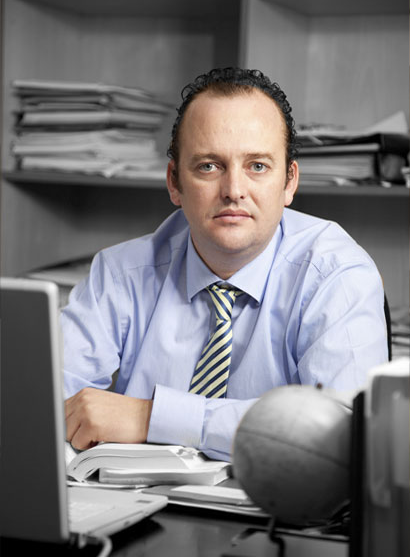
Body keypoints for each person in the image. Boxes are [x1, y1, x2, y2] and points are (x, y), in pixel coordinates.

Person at [63, 67, 388, 461]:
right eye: (209, 166)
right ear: (174, 182)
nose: (234, 191)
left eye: (257, 166)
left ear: (289, 182)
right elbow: (46, 403)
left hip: (274, 499)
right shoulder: (120, 274)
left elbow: (343, 433)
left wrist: (153, 418)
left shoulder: (335, 274)